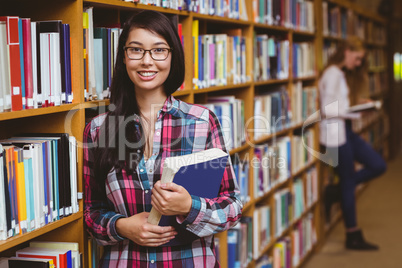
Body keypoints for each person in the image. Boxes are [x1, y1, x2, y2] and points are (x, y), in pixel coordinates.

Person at [83, 10, 243, 267]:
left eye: (159, 50)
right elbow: (90, 212)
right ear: (124, 57)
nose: (147, 61)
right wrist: (122, 226)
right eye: (136, 50)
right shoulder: (97, 130)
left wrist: (189, 206)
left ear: (172, 57)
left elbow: (232, 208)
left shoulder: (202, 121)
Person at [319, 36, 387, 250]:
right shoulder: (332, 74)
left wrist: (358, 104)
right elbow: (327, 109)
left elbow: (337, 103)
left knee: (378, 165)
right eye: (357, 58)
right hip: (334, 136)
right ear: (346, 51)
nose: (357, 64)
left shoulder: (339, 74)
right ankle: (353, 235)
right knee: (349, 182)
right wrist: (354, 112)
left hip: (344, 131)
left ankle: (334, 192)